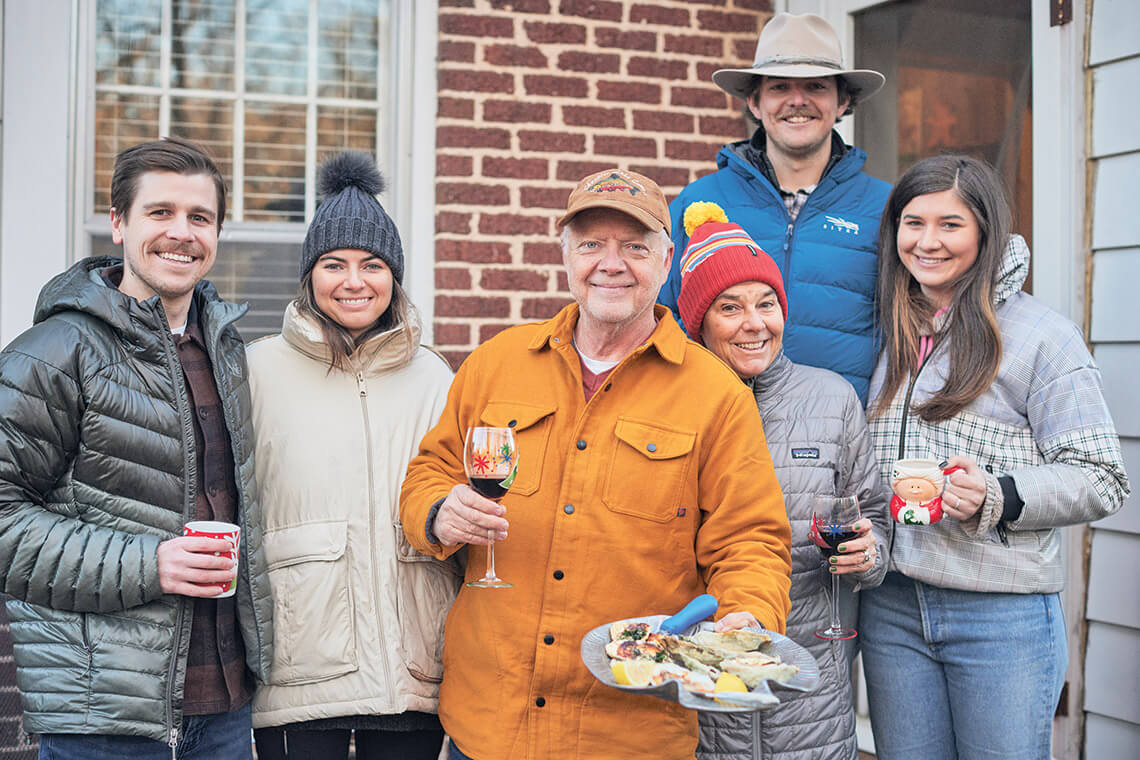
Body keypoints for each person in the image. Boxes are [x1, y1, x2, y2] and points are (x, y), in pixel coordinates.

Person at [400, 168, 793, 760]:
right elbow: (428, 473)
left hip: (628, 733)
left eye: (635, 247)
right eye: (591, 245)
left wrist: (746, 617)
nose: (611, 263)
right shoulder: (496, 363)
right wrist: (437, 513)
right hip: (487, 726)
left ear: (665, 263)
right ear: (567, 258)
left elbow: (751, 543)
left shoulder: (716, 395)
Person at [0, 136, 273, 758]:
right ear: (119, 223)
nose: (182, 233)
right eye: (161, 213)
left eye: (200, 218)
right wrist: (151, 564)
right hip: (104, 716)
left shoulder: (225, 351)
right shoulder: (54, 351)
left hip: (224, 706)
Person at [859, 155, 1130, 760]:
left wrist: (999, 494)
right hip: (893, 607)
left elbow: (1103, 478)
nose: (927, 241)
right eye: (913, 222)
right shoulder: (891, 329)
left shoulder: (1042, 337)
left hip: (999, 616)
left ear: (986, 233)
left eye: (950, 225)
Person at [247, 152, 457, 760]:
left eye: (372, 264)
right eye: (333, 263)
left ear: (394, 276)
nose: (354, 281)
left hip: (412, 666)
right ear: (309, 275)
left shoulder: (433, 375)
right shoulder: (257, 370)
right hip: (300, 668)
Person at [676, 202, 890, 760]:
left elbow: (874, 511)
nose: (755, 323)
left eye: (766, 303)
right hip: (697, 685)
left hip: (808, 681)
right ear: (698, 321)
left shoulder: (832, 397)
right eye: (730, 307)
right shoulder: (673, 404)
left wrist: (870, 554)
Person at [658, 12, 891, 404]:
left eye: (815, 86)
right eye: (780, 86)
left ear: (843, 100)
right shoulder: (699, 203)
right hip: (717, 426)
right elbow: (661, 317)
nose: (797, 101)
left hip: (839, 439)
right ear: (754, 100)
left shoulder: (885, 208)